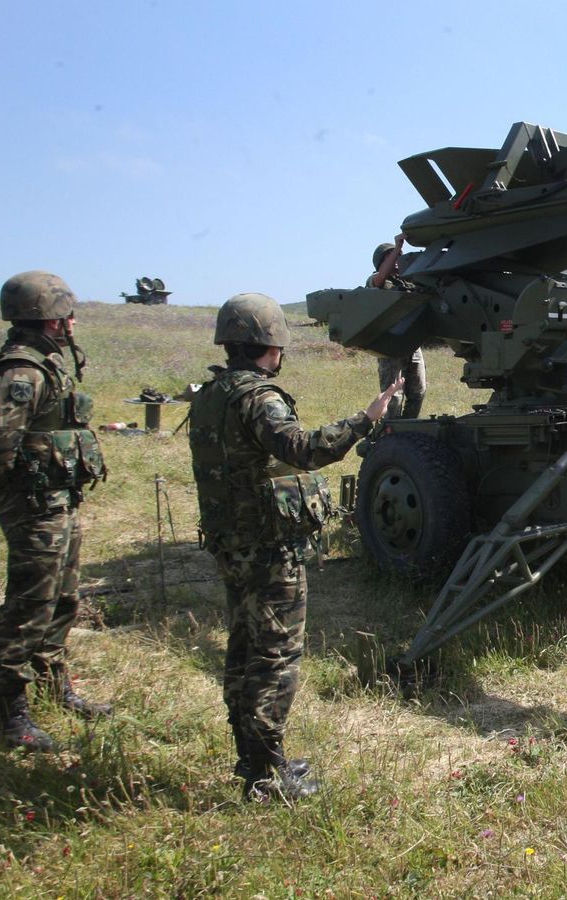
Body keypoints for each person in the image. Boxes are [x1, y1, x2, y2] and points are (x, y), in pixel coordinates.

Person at [188, 292, 401, 800]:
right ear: (271, 344)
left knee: (244, 650)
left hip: (230, 542)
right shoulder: (259, 397)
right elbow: (303, 450)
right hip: (266, 547)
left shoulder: (211, 394)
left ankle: (256, 757)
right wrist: (365, 418)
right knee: (274, 656)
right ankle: (265, 777)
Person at [0, 271, 111, 751]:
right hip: (32, 504)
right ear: (51, 317)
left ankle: (55, 687)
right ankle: (10, 719)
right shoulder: (21, 371)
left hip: (56, 500)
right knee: (27, 607)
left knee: (63, 598)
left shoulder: (46, 362)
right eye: (66, 313)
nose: (73, 321)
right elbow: (2, 441)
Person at [367, 236, 426, 420]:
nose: (397, 259)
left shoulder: (408, 281)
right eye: (391, 256)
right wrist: (398, 247)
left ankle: (407, 429)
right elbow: (379, 280)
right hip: (389, 345)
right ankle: (389, 435)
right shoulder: (376, 282)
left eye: (399, 255)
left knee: (418, 391)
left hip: (412, 342)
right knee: (393, 396)